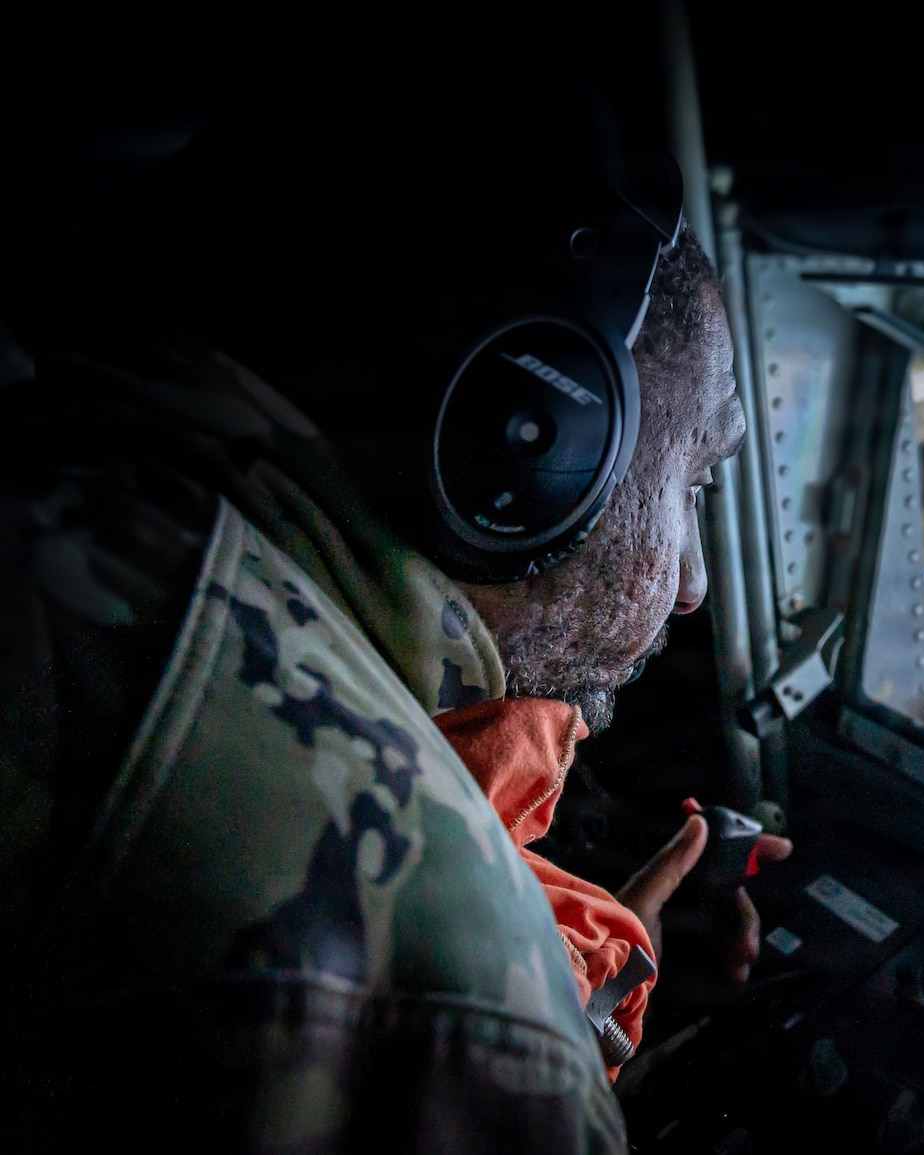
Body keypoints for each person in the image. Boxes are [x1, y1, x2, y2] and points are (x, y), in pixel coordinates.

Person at [0, 81, 780, 1150]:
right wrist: (539, 1047)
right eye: (692, 483)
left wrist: (571, 984)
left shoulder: (60, 470)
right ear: (536, 432)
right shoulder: (452, 996)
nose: (691, 585)